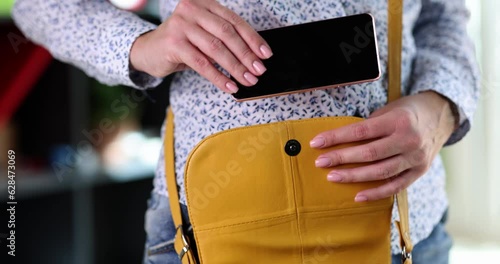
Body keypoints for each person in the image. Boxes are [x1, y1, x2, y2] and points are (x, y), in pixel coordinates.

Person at [12, 0, 479, 263]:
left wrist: (440, 108)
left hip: (400, 226)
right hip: (201, 231)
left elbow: (444, 15)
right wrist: (137, 44)